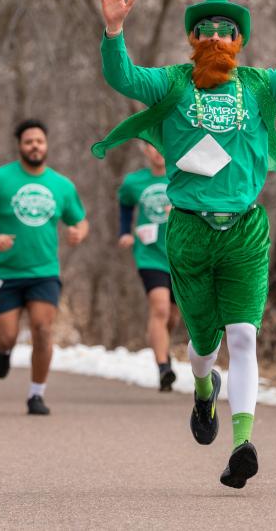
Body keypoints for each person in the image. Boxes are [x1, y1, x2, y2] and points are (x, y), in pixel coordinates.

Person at [94, 0, 276, 488]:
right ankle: (203, 387)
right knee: (204, 342)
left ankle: (243, 444)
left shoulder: (259, 85)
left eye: (226, 30)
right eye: (205, 29)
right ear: (194, 39)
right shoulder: (171, 82)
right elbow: (123, 78)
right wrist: (114, 33)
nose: (214, 36)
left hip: (245, 232)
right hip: (187, 230)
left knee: (244, 336)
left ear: (239, 41)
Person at [0, 119, 88, 416]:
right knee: (6, 335)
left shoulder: (61, 185)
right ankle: (4, 350)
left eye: (39, 141)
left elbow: (80, 219)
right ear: (20, 146)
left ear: (46, 145)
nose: (34, 146)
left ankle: (36, 394)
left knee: (42, 329)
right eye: (28, 141)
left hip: (44, 272)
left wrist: (78, 232)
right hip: (4, 272)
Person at [117, 142, 179, 392]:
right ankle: (163, 367)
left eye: (162, 145)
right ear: (144, 149)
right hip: (149, 254)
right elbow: (124, 205)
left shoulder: (181, 177)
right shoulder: (134, 182)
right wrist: (124, 232)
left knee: (173, 316)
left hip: (180, 255)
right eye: (152, 146)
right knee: (160, 308)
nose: (158, 151)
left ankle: (160, 344)